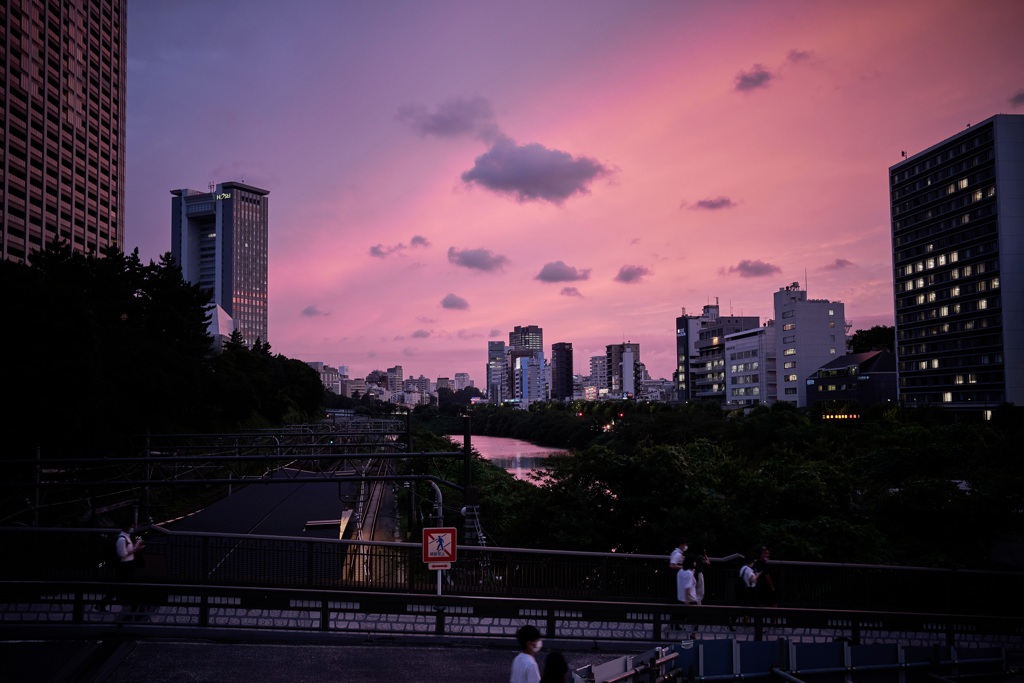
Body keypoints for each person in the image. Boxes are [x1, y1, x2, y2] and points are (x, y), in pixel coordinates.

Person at [96, 522, 144, 612]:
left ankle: (102, 604)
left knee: (119, 587)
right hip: (124, 567)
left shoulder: (127, 537)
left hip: (127, 566)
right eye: (131, 526)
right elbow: (123, 554)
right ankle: (135, 607)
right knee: (129, 587)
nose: (133, 527)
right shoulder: (122, 539)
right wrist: (135, 548)